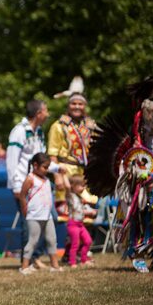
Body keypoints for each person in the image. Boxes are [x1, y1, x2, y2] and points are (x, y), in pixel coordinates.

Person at [86, 71, 153, 272]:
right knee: (143, 209)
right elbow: (137, 140)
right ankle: (139, 252)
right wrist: (138, 165)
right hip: (147, 167)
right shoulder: (144, 115)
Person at [6, 99, 62, 267]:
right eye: (46, 111)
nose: (48, 114)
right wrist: (16, 185)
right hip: (25, 184)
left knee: (51, 217)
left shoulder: (39, 132)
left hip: (41, 183)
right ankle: (28, 261)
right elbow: (11, 160)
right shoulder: (19, 131)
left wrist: (58, 168)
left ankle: (35, 256)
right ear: (38, 113)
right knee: (28, 224)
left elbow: (42, 160)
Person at [48, 92, 97, 221]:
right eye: (73, 103)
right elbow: (52, 154)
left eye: (80, 104)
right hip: (65, 172)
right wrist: (57, 176)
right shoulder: (58, 126)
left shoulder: (90, 126)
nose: (77, 107)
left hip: (85, 173)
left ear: (85, 106)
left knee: (87, 215)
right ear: (68, 106)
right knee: (67, 215)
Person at [18, 153, 62, 274]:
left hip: (47, 215)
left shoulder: (47, 179)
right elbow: (22, 195)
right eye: (45, 167)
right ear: (35, 165)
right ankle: (24, 267)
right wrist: (25, 210)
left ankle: (55, 266)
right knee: (33, 241)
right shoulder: (30, 178)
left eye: (48, 167)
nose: (47, 170)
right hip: (34, 216)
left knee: (52, 240)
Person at [66, 175, 96, 268]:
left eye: (84, 186)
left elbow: (82, 209)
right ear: (73, 186)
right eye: (81, 186)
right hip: (73, 224)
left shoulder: (79, 197)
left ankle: (84, 260)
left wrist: (91, 211)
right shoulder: (70, 196)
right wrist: (63, 174)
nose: (83, 188)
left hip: (80, 224)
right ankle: (72, 262)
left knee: (88, 241)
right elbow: (67, 187)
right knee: (75, 244)